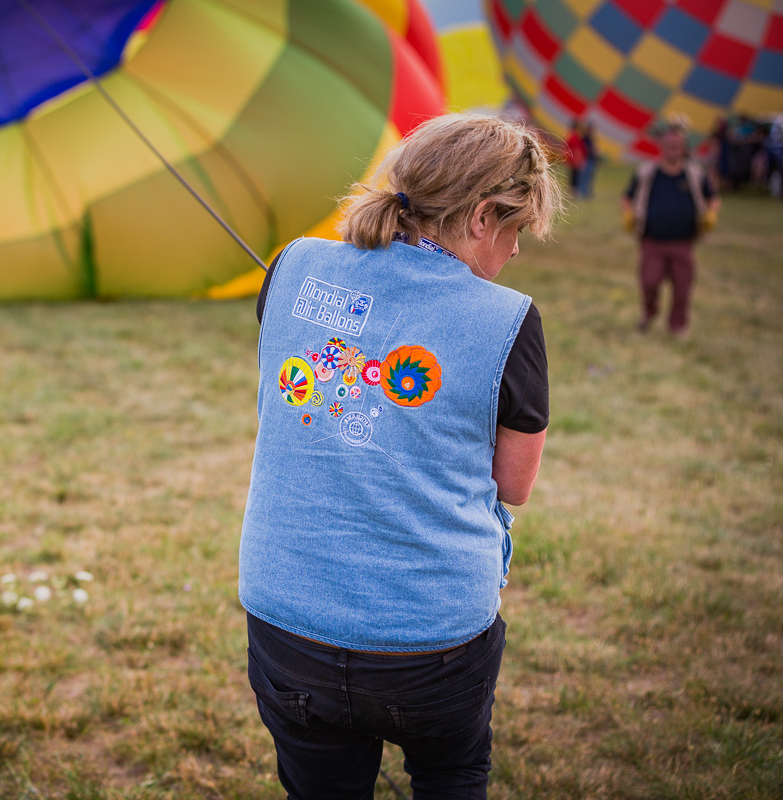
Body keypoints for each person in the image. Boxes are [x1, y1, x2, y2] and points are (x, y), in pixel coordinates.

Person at [239, 112, 563, 799]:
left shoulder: (291, 264)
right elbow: (515, 483)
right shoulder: (510, 319)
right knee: (450, 775)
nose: (512, 254)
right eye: (514, 231)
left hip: (287, 621)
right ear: (480, 218)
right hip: (433, 642)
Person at [621, 121, 720, 337]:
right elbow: (627, 197)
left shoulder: (695, 174)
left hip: (683, 242)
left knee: (682, 288)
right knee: (649, 282)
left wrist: (711, 215)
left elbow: (713, 198)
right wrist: (628, 215)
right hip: (652, 241)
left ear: (684, 147)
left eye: (677, 144)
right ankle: (649, 313)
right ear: (662, 145)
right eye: (669, 144)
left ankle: (677, 326)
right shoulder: (647, 172)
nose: (673, 148)